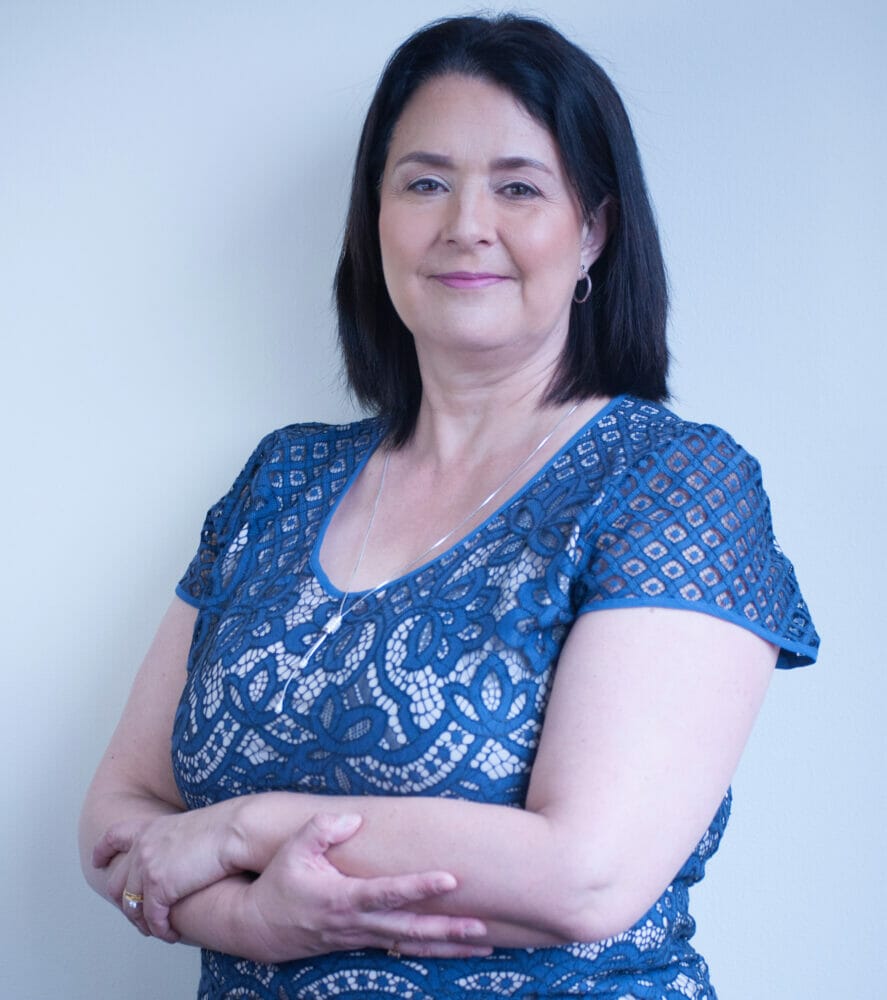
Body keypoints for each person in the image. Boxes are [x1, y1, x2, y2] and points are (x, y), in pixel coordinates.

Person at [79, 13, 819, 1000]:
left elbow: (584, 874)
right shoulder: (281, 479)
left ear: (593, 231)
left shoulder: (671, 482)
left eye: (518, 187)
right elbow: (118, 817)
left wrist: (242, 829)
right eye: (424, 183)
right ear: (374, 220)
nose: (465, 223)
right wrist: (252, 920)